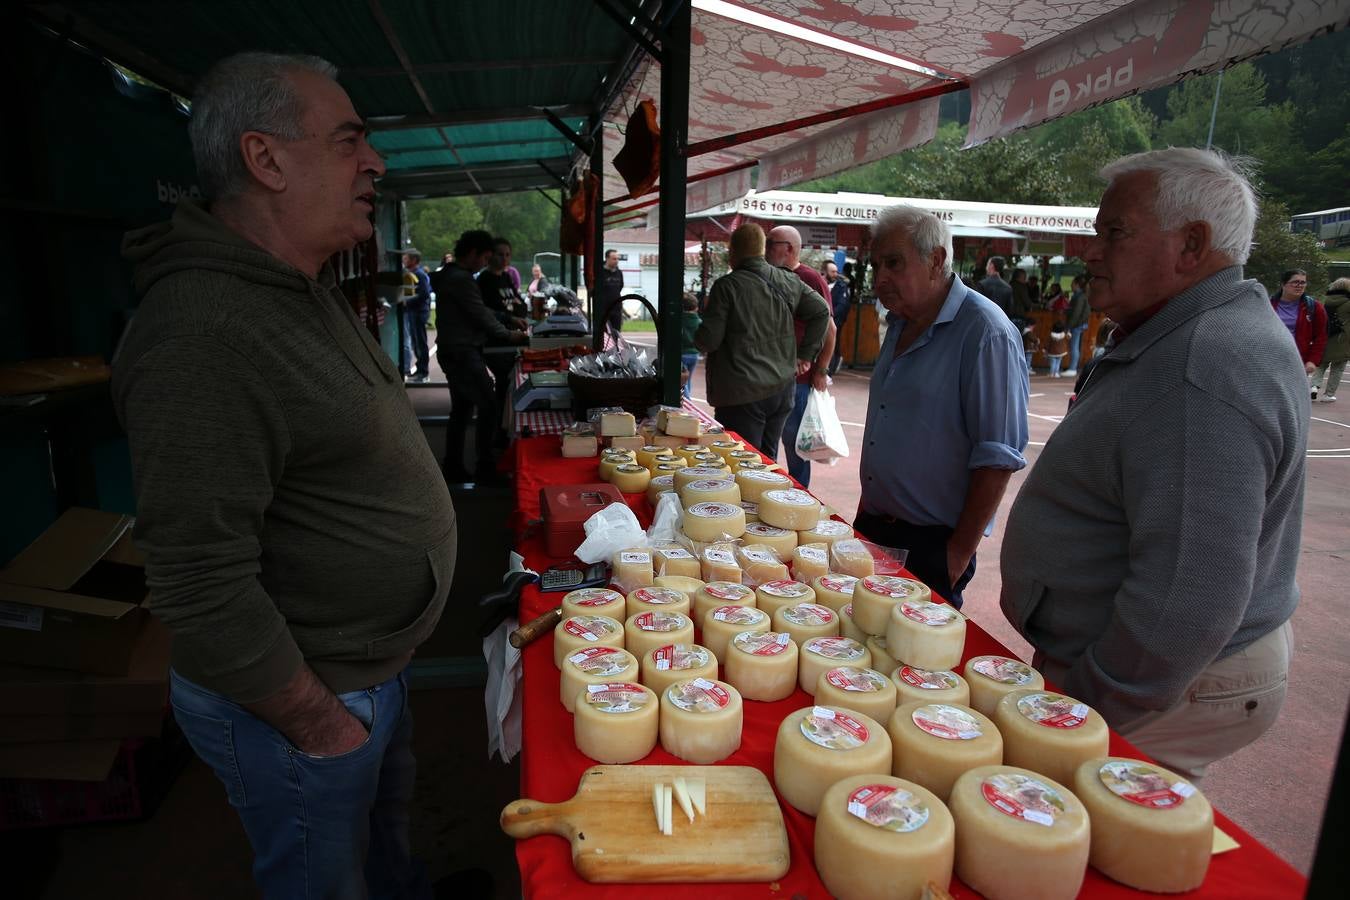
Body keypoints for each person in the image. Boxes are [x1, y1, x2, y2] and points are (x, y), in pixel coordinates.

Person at [112, 52, 468, 898]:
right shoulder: (201, 333)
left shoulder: (292, 286)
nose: (373, 163)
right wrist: (322, 727)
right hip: (310, 702)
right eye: (349, 142)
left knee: (382, 837)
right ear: (264, 159)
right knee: (321, 880)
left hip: (366, 669)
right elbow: (199, 583)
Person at [1000, 148, 1306, 782]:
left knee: (1078, 836)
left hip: (1156, 681)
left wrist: (1089, 701)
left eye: (1115, 232)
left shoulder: (1203, 363)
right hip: (1163, 672)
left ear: (1191, 245)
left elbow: (1189, 596)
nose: (1092, 252)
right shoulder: (1191, 332)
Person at [858, 206, 1029, 608]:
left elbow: (998, 456)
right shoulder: (900, 322)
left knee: (915, 664)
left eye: (894, 263)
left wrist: (955, 556)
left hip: (931, 543)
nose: (880, 277)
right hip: (873, 528)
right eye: (876, 264)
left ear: (936, 260)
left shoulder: (986, 332)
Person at [695, 223, 829, 457]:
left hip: (742, 392)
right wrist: (806, 355)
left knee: (740, 460)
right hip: (782, 389)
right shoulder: (788, 280)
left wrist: (692, 329)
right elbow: (821, 311)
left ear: (733, 253)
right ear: (761, 250)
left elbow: (709, 341)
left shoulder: (728, 286)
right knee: (768, 460)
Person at [432, 229, 529, 484]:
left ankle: (453, 465)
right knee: (487, 406)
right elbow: (480, 314)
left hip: (455, 350)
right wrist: (509, 335)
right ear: (473, 254)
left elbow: (482, 310)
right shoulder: (462, 279)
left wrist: (507, 319)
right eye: (485, 257)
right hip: (462, 351)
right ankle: (485, 467)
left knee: (462, 411)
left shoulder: (456, 276)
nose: (486, 262)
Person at [766, 225, 837, 487]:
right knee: (771, 440)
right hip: (772, 374)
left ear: (790, 248)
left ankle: (799, 494)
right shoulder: (768, 275)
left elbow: (830, 329)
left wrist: (821, 370)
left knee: (795, 442)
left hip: (800, 378)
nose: (766, 248)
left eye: (771, 243)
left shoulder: (810, 278)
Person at [1270, 268, 1327, 396]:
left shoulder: (1314, 307)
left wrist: (1312, 360)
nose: (1299, 286)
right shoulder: (1268, 304)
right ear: (1283, 284)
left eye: (1303, 283)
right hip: (1270, 360)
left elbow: (1321, 337)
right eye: (1295, 282)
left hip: (1298, 361)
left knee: (1292, 398)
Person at [1311, 277, 1350, 402]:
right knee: (1338, 367)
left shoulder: (1324, 300)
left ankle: (1314, 386)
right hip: (1342, 339)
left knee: (1321, 363)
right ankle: (1329, 394)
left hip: (1325, 335)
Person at [403, 251, 432, 382]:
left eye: (406, 257)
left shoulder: (420, 274)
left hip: (419, 312)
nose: (404, 259)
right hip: (413, 311)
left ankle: (423, 372)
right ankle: (420, 370)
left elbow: (425, 293)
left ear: (414, 260)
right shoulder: (411, 274)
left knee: (420, 342)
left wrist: (406, 301)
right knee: (415, 342)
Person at [825, 260, 851, 374]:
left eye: (836, 271)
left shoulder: (842, 287)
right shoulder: (820, 283)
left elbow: (842, 305)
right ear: (825, 272)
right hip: (819, 321)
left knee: (833, 345)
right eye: (832, 272)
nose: (835, 274)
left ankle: (829, 372)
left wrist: (830, 316)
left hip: (835, 321)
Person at [1064, 274, 1090, 376]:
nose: (1071, 285)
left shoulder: (1079, 296)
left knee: (1074, 346)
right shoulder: (1083, 295)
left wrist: (1069, 326)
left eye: (1072, 283)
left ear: (1076, 284)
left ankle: (1072, 368)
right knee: (1076, 346)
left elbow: (1076, 313)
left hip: (1076, 325)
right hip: (1080, 324)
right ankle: (1073, 367)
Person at [597, 248, 625, 341]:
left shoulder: (619, 273)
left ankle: (615, 351)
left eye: (617, 259)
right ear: (607, 259)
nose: (616, 261)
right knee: (604, 333)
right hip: (604, 308)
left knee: (616, 332)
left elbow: (620, 286)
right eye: (614, 259)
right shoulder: (600, 272)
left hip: (616, 307)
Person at [680, 291, 702, 400]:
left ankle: (687, 399)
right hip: (694, 354)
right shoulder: (699, 321)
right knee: (688, 378)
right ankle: (688, 397)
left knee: (681, 380)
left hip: (682, 353)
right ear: (696, 307)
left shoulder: (680, 320)